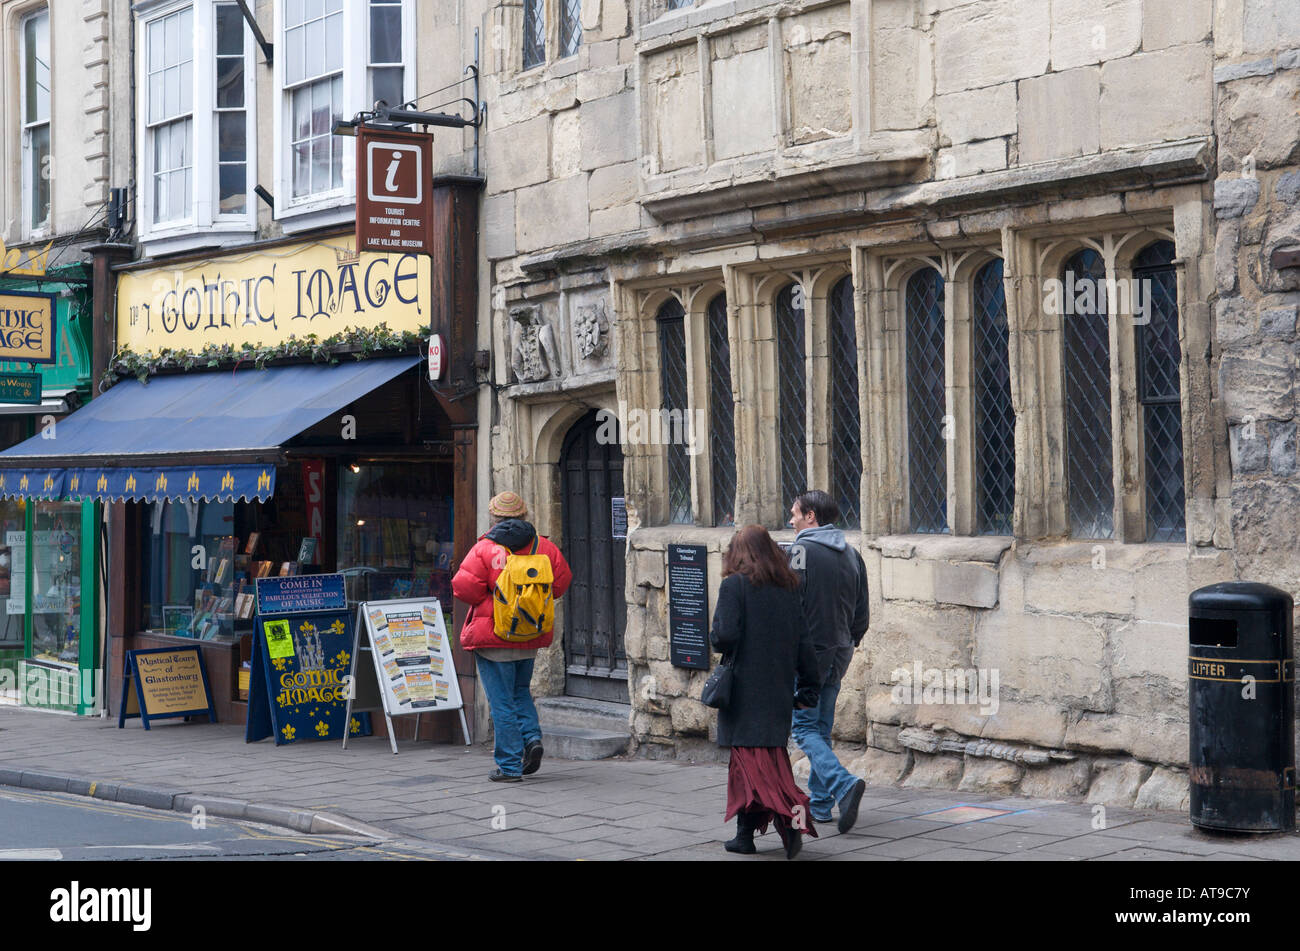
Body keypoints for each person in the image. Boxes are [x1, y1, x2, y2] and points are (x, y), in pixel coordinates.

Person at [710, 524, 821, 859]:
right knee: (754, 768)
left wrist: (717, 632)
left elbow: (724, 636)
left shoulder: (734, 586)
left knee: (758, 769)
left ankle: (793, 822)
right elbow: (805, 645)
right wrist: (809, 687)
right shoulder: (789, 588)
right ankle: (745, 836)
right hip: (775, 693)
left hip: (745, 693)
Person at [453, 491, 572, 782]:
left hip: (493, 636)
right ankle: (532, 740)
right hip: (529, 634)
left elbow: (464, 588)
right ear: (525, 516)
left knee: (501, 701)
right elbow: (561, 584)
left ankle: (509, 766)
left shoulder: (485, 549)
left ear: (494, 517)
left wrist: (493, 596)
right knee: (520, 692)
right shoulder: (543, 547)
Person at [788, 489, 870, 832]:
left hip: (810, 655)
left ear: (811, 516)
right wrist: (848, 641)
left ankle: (843, 784)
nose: (790, 520)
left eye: (794, 513)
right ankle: (820, 805)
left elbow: (791, 603)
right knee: (820, 728)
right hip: (840, 652)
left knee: (803, 728)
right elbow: (862, 614)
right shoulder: (852, 554)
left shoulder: (800, 551)